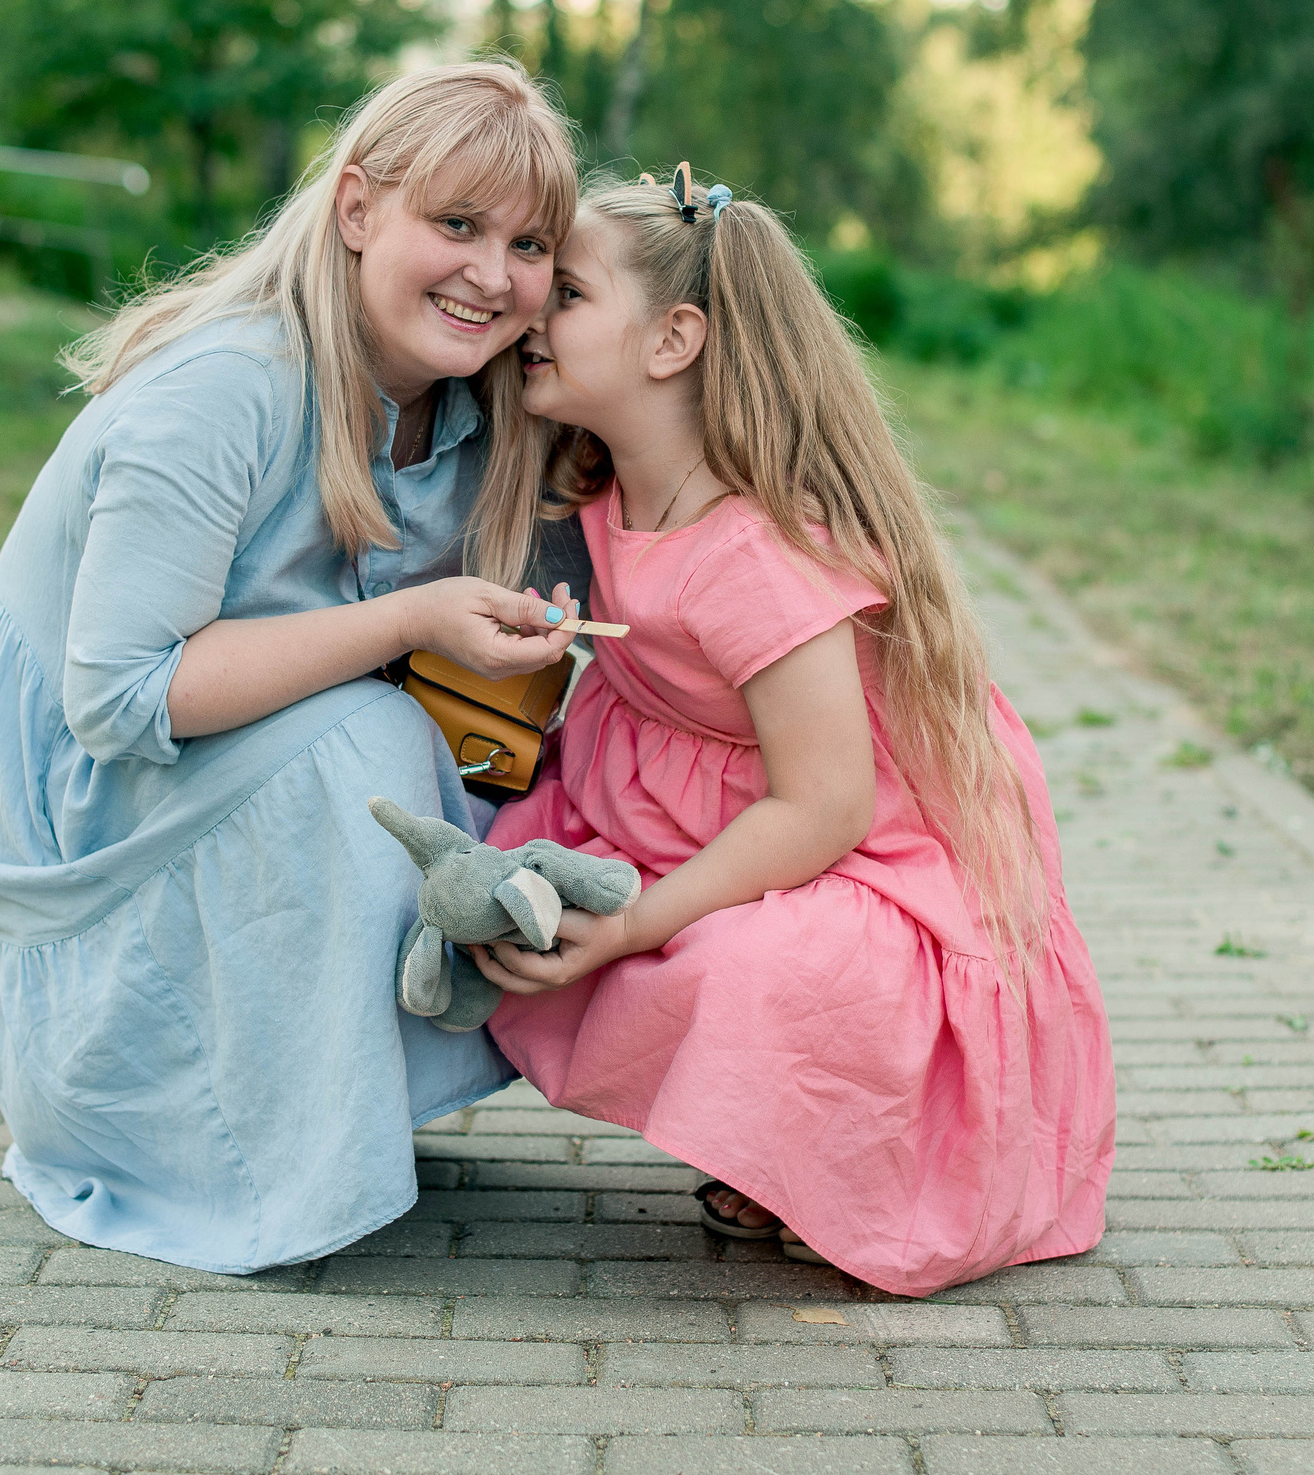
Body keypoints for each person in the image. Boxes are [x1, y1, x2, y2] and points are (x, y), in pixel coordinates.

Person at [0, 61, 585, 1273]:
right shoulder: (226, 387)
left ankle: (343, 1091)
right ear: (356, 210)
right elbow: (122, 700)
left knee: (484, 737)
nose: (493, 273)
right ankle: (219, 1135)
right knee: (370, 741)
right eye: (456, 223)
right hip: (84, 877)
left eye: (529, 242)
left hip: (210, 817)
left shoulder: (481, 416)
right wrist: (412, 619)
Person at [466, 168, 1116, 1298]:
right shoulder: (601, 488)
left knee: (758, 967)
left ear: (673, 340)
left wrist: (629, 927)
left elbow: (825, 806)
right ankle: (769, 1128)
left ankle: (858, 1146)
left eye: (564, 291)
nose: (529, 311)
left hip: (867, 851)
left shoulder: (756, 555)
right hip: (711, 812)